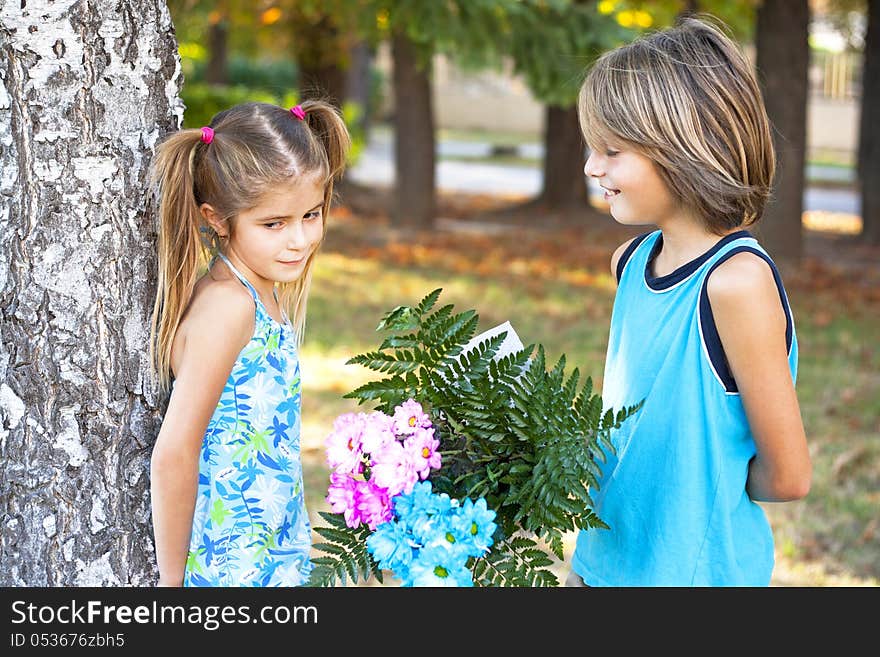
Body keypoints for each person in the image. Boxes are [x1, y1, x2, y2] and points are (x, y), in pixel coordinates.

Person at [568, 16, 812, 586]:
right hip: (598, 566)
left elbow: (789, 475)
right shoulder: (629, 263)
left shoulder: (736, 283)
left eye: (612, 150)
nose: (591, 166)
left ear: (684, 151)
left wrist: (704, 484)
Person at [148, 100, 351, 587]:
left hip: (273, 558)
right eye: (274, 224)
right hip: (230, 571)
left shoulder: (263, 298)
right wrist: (172, 585)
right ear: (218, 219)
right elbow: (175, 452)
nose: (299, 240)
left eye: (311, 214)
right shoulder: (229, 307)